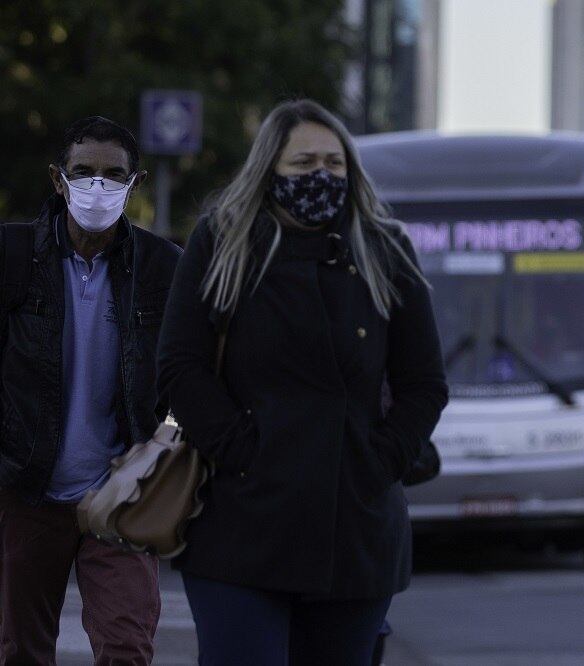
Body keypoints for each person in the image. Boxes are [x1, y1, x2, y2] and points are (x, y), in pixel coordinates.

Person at [156, 99, 448, 665]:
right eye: (303, 163)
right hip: (240, 529)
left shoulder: (384, 249)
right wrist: (243, 452)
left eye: (335, 164)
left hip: (355, 533)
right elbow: (179, 366)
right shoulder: (223, 241)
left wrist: (379, 459)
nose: (322, 175)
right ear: (270, 170)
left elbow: (424, 382)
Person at [0, 116, 181, 664]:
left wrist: (164, 447)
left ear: (135, 183)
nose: (96, 187)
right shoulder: (11, 258)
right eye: (83, 172)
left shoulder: (161, 267)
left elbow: (186, 371)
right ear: (59, 180)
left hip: (119, 494)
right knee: (21, 651)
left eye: (112, 174)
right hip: (26, 490)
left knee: (126, 646)